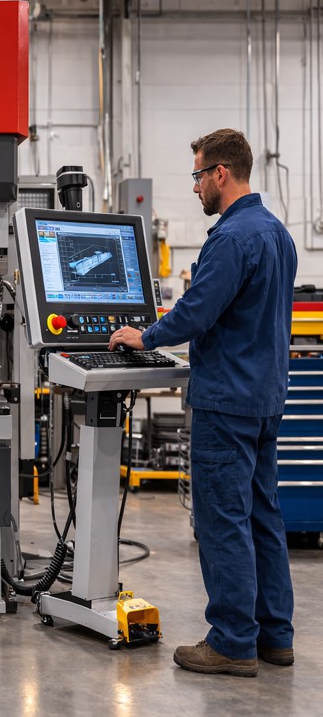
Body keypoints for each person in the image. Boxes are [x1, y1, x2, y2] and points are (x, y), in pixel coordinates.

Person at [108, 129, 296, 677]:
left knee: (222, 520)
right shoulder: (278, 234)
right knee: (263, 516)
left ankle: (234, 641)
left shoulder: (233, 238)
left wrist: (142, 337)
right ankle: (274, 636)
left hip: (227, 402)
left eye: (197, 175)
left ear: (220, 173)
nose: (193, 187)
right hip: (264, 399)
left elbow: (196, 311)